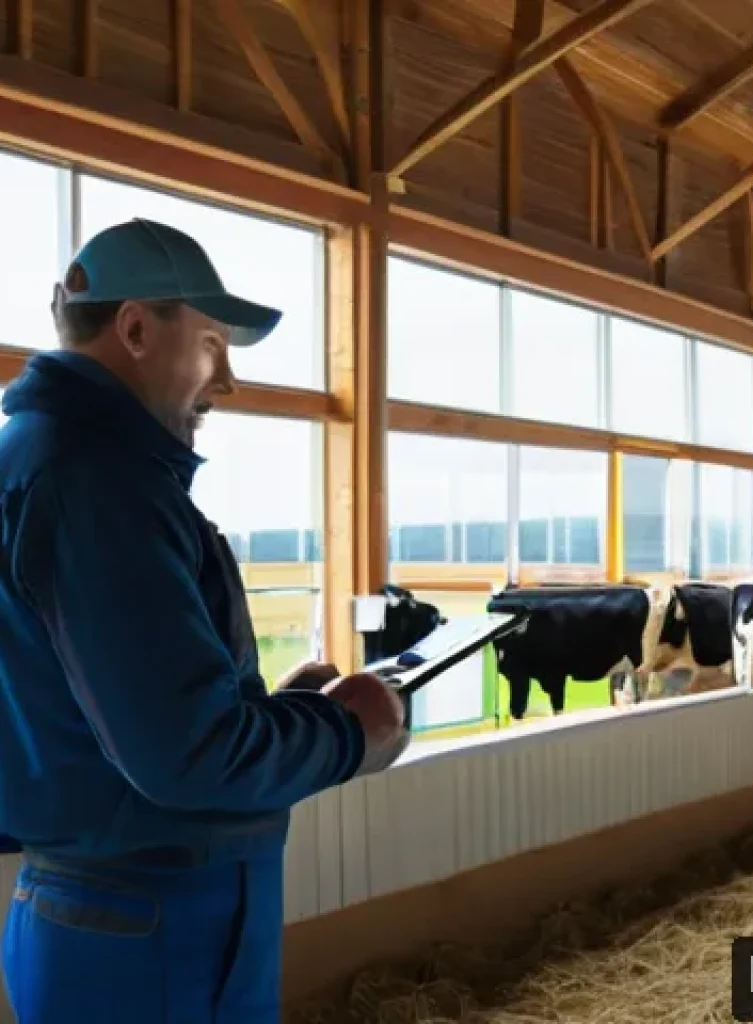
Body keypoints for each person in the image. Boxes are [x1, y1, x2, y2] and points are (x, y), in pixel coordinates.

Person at [0, 218, 408, 1023]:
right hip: (149, 923)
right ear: (137, 329)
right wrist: (352, 734)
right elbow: (183, 757)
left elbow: (105, 715)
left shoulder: (46, 460)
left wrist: (265, 710)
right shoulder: (99, 485)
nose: (226, 382)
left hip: (102, 907)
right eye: (215, 345)